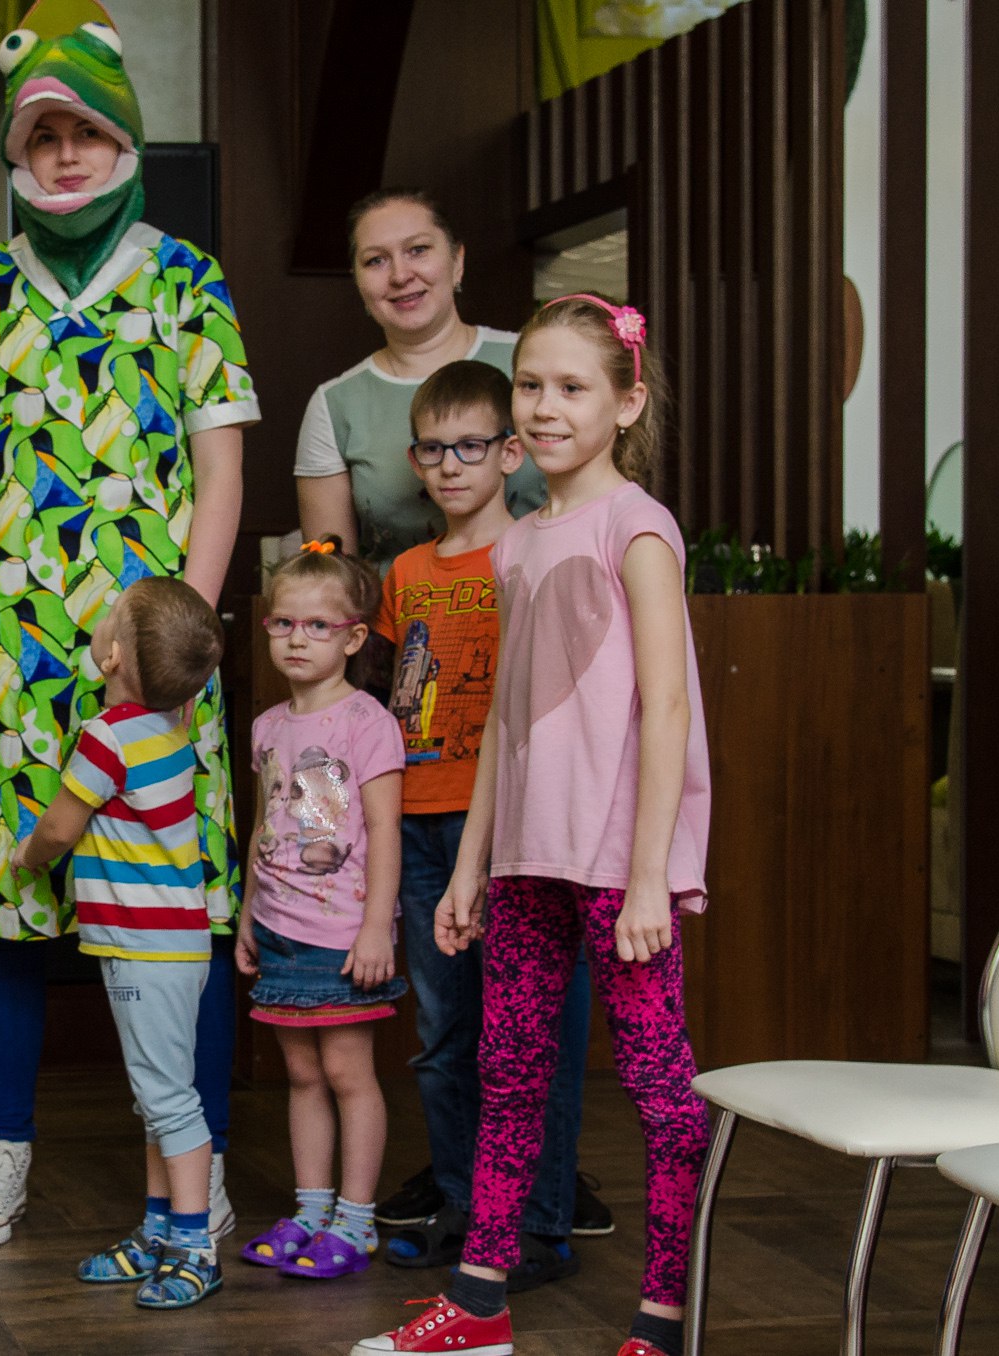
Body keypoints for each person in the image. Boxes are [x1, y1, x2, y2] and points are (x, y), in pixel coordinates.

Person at [0, 0, 258, 1249]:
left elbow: (220, 472)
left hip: (151, 665)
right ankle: (3, 1155)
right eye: (40, 135)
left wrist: (184, 648)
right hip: (11, 655)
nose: (63, 155)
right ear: (17, 152)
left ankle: (198, 1177)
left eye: (85, 132)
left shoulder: (186, 278)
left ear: (123, 139)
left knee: (182, 920)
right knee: (9, 903)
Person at [350, 295, 714, 1356]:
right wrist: (472, 864)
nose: (546, 408)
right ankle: (477, 1305)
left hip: (616, 867)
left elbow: (667, 706)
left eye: (572, 387)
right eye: (531, 386)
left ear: (625, 402)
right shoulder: (516, 546)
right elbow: (506, 719)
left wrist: (648, 876)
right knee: (506, 1078)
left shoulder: (636, 528)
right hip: (524, 859)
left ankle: (662, 1316)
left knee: (660, 1091)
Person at [370, 363, 585, 1290]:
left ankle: (540, 1221)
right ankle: (466, 1207)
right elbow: (389, 698)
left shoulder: (533, 552)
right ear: (415, 461)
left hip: (509, 827)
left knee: (530, 1033)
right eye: (433, 448)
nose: (450, 464)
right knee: (444, 1033)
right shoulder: (405, 574)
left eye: (470, 446)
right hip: (418, 825)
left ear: (509, 453)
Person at [13, 576, 229, 1309]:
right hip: (172, 946)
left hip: (146, 949)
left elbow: (59, 827)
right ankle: (159, 1232)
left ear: (109, 657)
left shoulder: (108, 738)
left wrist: (27, 856)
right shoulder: (170, 722)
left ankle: (196, 1246)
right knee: (156, 1097)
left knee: (169, 1100)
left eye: (110, 620)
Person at [234, 542, 407, 1282]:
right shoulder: (268, 726)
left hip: (341, 936)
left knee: (346, 1072)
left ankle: (356, 1220)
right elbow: (264, 827)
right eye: (283, 624)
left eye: (317, 626)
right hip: (279, 929)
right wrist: (249, 914)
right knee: (301, 1074)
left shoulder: (367, 722)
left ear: (354, 637)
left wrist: (376, 929)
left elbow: (385, 830)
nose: (297, 640)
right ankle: (310, 1211)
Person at [295, 189, 545, 569]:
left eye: (418, 250)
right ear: (357, 280)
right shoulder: (335, 405)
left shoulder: (533, 362)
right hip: (397, 606)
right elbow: (332, 580)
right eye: (376, 260)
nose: (400, 275)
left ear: (457, 261)